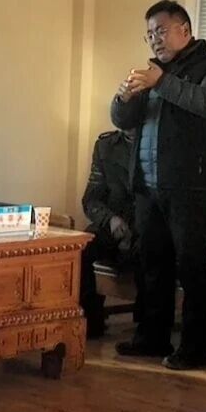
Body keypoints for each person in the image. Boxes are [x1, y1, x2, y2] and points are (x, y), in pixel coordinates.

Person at [111, 0, 206, 370]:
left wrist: (162, 82)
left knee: (191, 267)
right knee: (153, 264)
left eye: (161, 31)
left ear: (184, 29)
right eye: (149, 34)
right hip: (149, 186)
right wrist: (123, 98)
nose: (155, 39)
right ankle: (153, 337)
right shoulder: (155, 73)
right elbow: (123, 120)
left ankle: (194, 349)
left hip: (190, 188)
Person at [79, 128, 139, 338]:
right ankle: (90, 322)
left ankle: (146, 330)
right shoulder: (106, 146)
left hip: (145, 228)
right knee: (83, 247)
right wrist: (110, 219)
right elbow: (91, 199)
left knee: (152, 250)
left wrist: (136, 229)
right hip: (113, 225)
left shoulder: (159, 146)